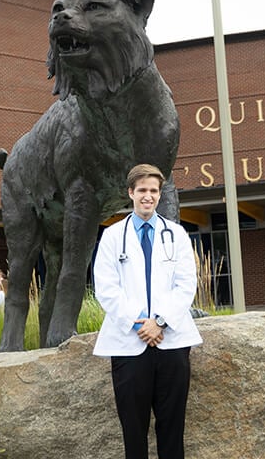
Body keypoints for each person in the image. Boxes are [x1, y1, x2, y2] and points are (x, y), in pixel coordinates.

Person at [92, 164, 202, 459]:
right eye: (142, 190)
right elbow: (106, 287)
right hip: (130, 344)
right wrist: (139, 323)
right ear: (131, 193)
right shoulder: (113, 236)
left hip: (172, 343)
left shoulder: (176, 234)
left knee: (172, 429)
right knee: (133, 431)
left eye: (153, 191)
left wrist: (161, 322)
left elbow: (186, 283)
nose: (148, 196)